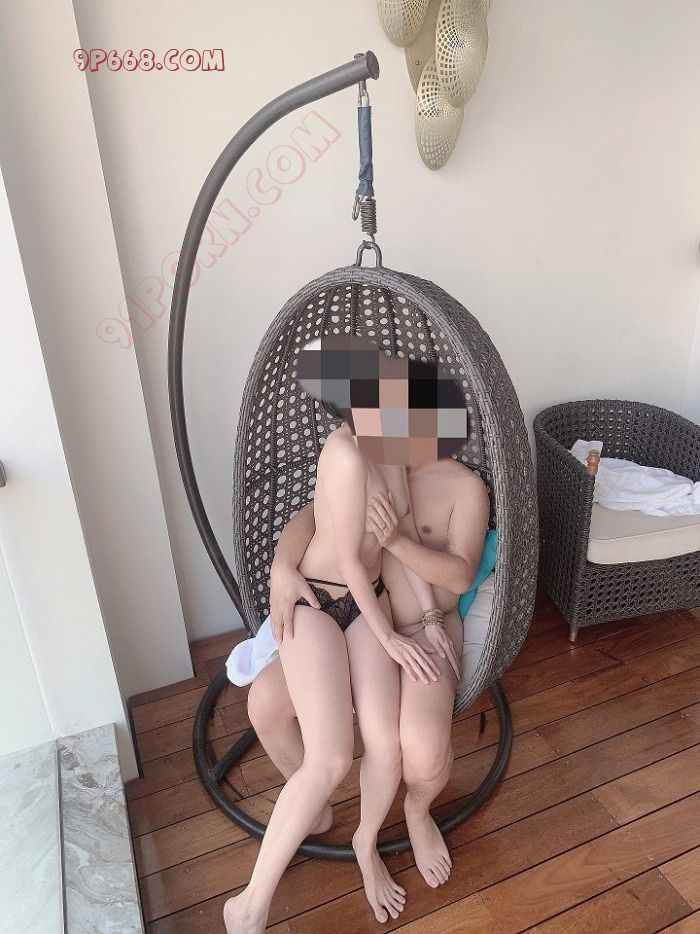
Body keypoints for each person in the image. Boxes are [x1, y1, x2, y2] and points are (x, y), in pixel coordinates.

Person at [224, 335, 458, 934]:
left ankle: (364, 842)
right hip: (320, 602)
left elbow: (397, 544)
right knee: (330, 757)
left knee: (385, 743)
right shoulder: (347, 454)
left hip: (368, 600)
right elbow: (351, 561)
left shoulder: (391, 447)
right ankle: (248, 905)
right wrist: (391, 639)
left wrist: (429, 619)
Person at [253, 456, 489, 898]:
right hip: (359, 624)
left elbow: (461, 575)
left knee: (423, 747)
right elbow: (314, 515)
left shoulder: (463, 485)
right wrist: (281, 566)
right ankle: (313, 802)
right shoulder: (375, 458)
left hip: (421, 629)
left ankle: (417, 811)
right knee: (264, 703)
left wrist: (397, 544)